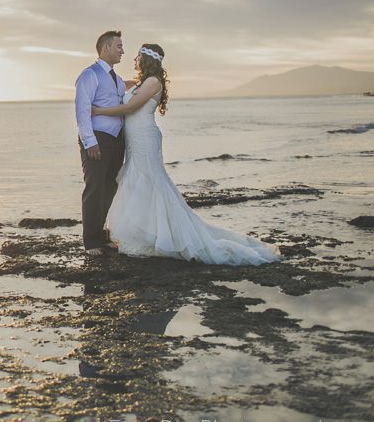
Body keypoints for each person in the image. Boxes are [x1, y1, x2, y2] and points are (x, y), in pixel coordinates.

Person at [92, 44, 279, 266]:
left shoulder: (153, 82)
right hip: (134, 140)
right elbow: (117, 86)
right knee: (137, 183)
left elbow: (130, 107)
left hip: (145, 138)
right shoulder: (141, 82)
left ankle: (159, 236)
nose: (133, 58)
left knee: (150, 182)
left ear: (147, 60)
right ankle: (144, 233)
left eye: (138, 55)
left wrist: (99, 111)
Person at [75, 30, 126, 257]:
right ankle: (90, 241)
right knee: (95, 189)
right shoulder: (89, 75)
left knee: (110, 188)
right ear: (105, 48)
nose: (122, 50)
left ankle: (102, 235)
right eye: (119, 46)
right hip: (98, 138)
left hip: (117, 140)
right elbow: (82, 110)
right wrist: (89, 142)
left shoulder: (117, 79)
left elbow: (121, 97)